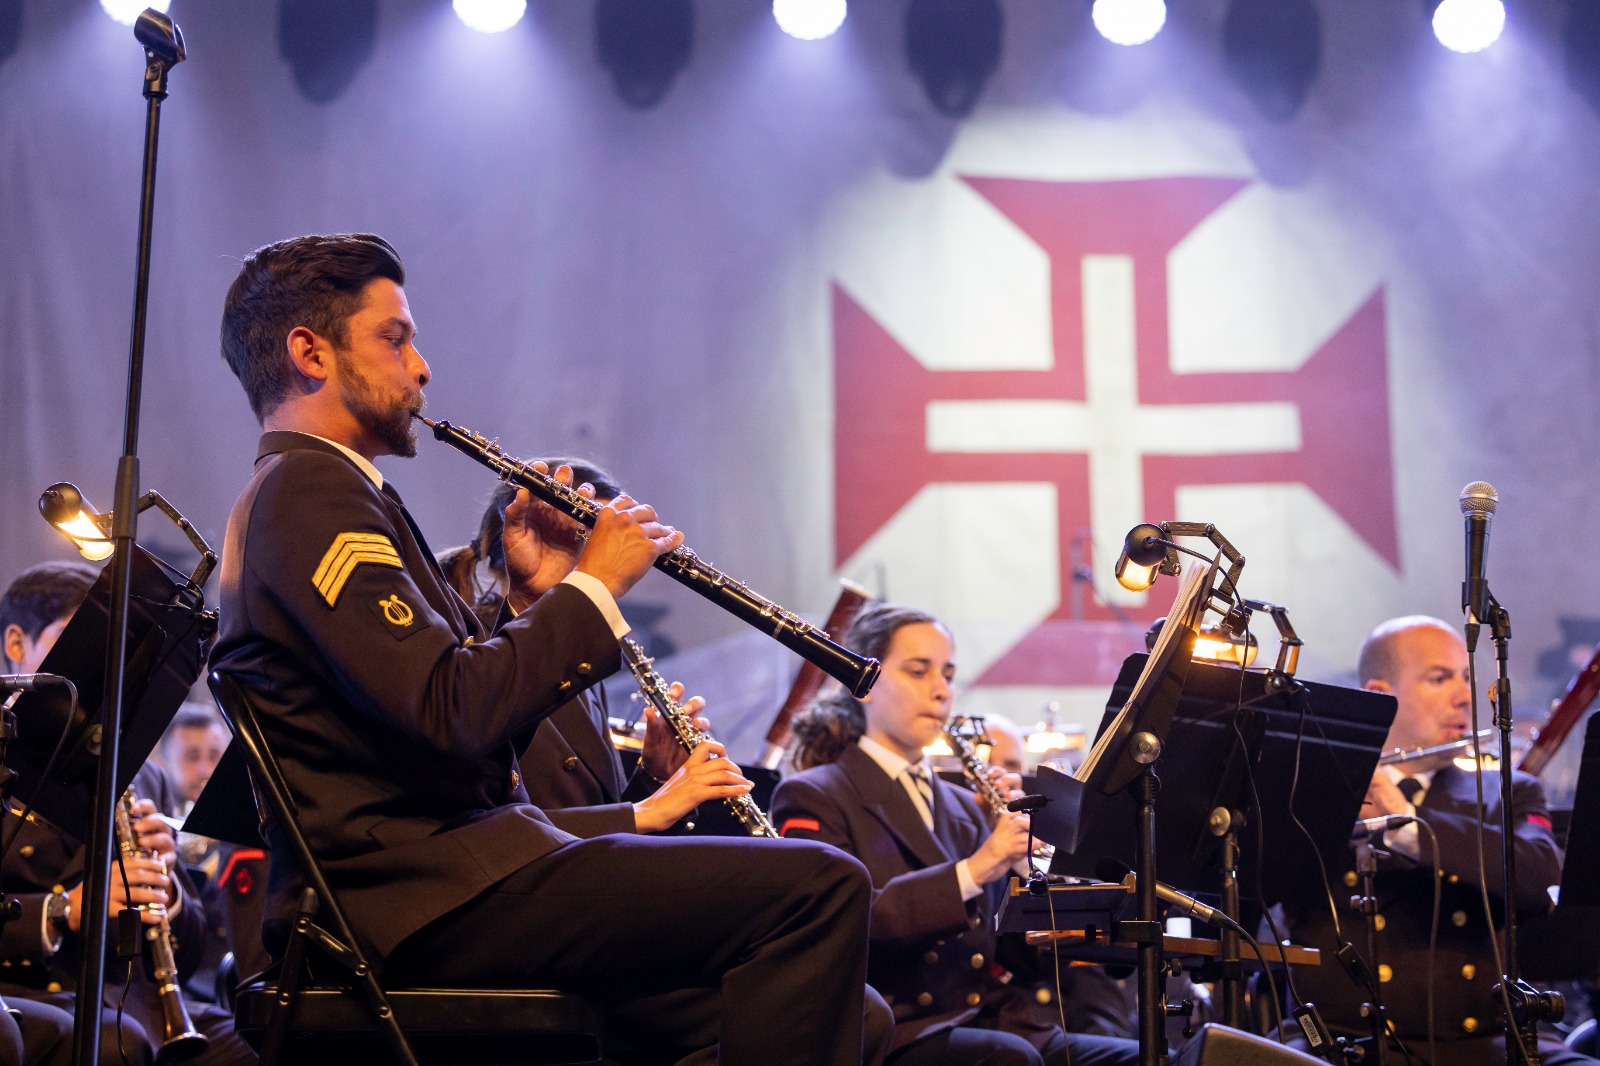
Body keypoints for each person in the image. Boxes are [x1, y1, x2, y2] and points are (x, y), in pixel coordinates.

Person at [208, 232, 871, 1065]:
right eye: (395, 337)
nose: (422, 368)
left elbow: (441, 713)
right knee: (817, 890)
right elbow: (451, 709)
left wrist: (568, 602)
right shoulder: (311, 490)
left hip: (449, 880)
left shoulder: (319, 491)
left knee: (796, 968)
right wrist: (592, 587)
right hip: (423, 898)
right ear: (310, 351)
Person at [444, 467, 898, 1063]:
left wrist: (654, 775)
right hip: (529, 923)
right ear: (518, 537)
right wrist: (648, 811)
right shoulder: (483, 654)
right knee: (838, 993)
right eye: (597, 539)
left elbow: (579, 809)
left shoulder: (578, 656)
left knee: (849, 1006)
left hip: (592, 910)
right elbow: (498, 828)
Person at [771, 602, 1140, 1066]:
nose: (941, 691)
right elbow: (843, 927)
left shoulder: (964, 806)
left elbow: (1012, 957)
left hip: (993, 1019)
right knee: (1010, 1060)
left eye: (946, 674)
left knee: (1152, 1057)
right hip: (897, 1032)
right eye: (918, 671)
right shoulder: (813, 795)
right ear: (862, 683)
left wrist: (1029, 867)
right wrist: (978, 866)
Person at [1283, 615, 1594, 1065]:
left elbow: (1542, 870)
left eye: (1465, 677)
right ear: (1379, 695)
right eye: (1439, 678)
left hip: (1485, 1042)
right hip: (1343, 1043)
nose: (1464, 696)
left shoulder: (1508, 789)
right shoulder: (1313, 789)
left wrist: (1406, 825)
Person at [0, 562, 254, 1065]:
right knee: (120, 1046)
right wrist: (64, 909)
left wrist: (169, 895)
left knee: (262, 1041)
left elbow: (194, 943)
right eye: (76, 645)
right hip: (37, 996)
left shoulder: (138, 767)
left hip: (140, 1002)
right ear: (15, 643)